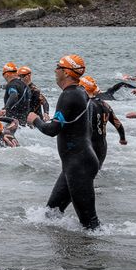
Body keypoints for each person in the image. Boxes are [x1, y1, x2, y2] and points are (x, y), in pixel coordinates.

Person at [29, 54, 100, 230]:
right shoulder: (81, 92)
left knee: (91, 226)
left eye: (58, 67)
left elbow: (53, 130)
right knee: (50, 214)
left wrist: (35, 120)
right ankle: (61, 254)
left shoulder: (69, 96)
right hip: (77, 162)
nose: (55, 70)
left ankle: (95, 256)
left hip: (79, 165)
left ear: (67, 72)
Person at [80, 76, 127, 165]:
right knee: (95, 172)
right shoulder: (106, 105)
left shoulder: (85, 105)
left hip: (88, 145)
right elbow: (117, 124)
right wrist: (122, 138)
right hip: (102, 146)